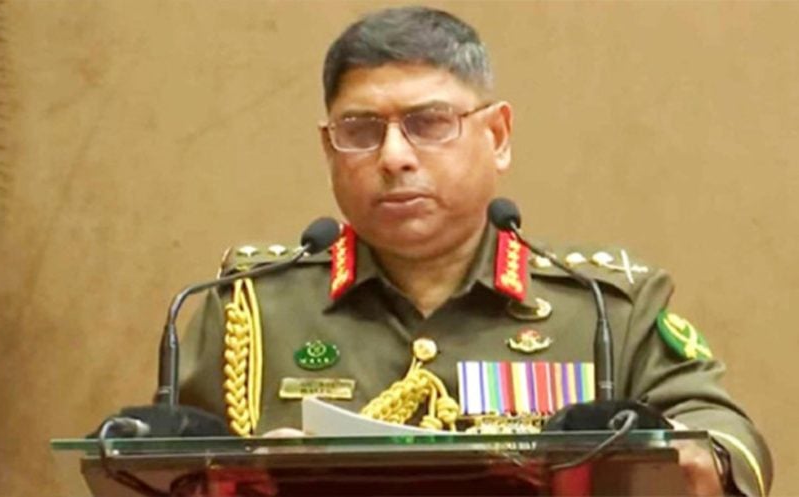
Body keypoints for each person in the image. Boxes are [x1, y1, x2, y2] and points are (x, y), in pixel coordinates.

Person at [179, 6, 772, 496]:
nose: (393, 157)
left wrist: (699, 458)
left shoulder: (603, 305)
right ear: (330, 149)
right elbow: (166, 463)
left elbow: (725, 434)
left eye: (428, 124)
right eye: (360, 131)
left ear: (498, 137)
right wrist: (240, 472)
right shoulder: (254, 308)